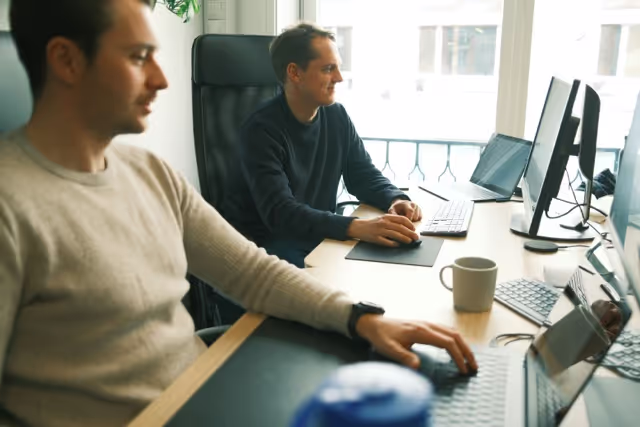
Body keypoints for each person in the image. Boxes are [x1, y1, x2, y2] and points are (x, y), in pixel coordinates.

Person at [0, 1, 476, 426]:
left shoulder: (151, 173)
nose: (162, 80)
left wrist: (365, 321)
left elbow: (253, 273)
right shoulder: (11, 205)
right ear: (65, 60)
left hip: (207, 392)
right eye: (138, 57)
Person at [222, 23, 423, 268]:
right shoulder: (260, 130)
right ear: (295, 73)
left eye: (338, 68)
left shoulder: (336, 116)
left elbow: (362, 175)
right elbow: (281, 213)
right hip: (268, 250)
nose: (339, 78)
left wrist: (394, 199)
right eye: (328, 69)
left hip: (319, 238)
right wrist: (357, 226)